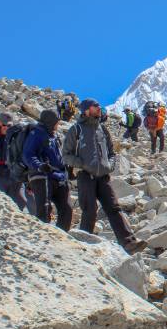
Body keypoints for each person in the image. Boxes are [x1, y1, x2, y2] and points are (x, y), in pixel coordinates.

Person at [62, 98, 147, 255]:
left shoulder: (102, 129)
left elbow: (111, 152)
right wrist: (81, 163)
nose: (99, 108)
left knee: (114, 208)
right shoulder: (76, 129)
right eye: (95, 106)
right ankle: (84, 246)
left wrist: (111, 164)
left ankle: (129, 243)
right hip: (86, 175)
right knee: (90, 210)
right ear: (87, 110)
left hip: (103, 176)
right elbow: (65, 154)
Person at [22, 109, 72, 230]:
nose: (58, 125)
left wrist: (68, 169)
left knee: (67, 210)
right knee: (44, 210)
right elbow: (28, 154)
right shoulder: (36, 134)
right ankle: (43, 239)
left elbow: (58, 156)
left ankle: (61, 238)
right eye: (56, 122)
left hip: (59, 177)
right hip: (42, 177)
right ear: (50, 121)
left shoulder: (54, 135)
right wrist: (39, 165)